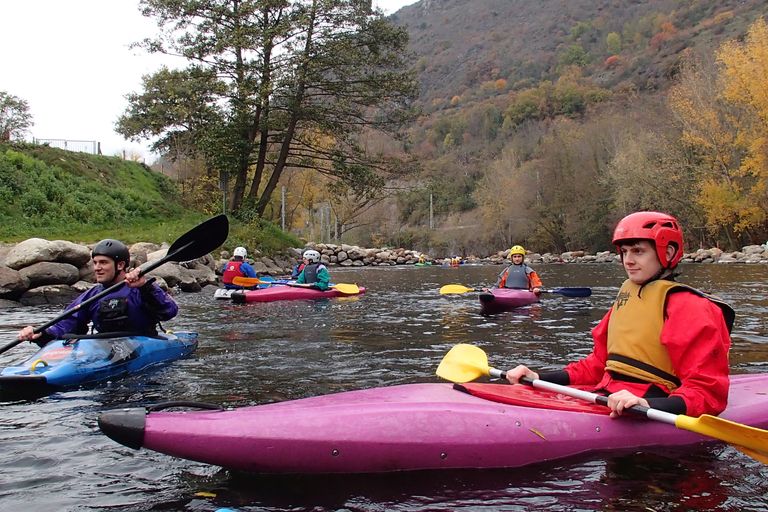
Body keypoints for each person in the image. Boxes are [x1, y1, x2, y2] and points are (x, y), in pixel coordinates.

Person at [505, 211, 734, 418]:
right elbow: (597, 365)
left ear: (669, 251)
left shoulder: (691, 307)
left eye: (638, 251)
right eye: (624, 252)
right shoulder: (626, 298)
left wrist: (646, 404)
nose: (628, 260)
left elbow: (707, 391)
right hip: (609, 395)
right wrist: (538, 377)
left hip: (652, 404)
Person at [17, 239, 179, 347]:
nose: (97, 268)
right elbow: (67, 323)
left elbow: (169, 310)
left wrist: (145, 287)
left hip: (143, 342)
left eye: (103, 262)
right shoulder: (93, 294)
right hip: (103, 347)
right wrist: (42, 333)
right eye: (95, 263)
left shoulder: (142, 287)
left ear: (120, 265)